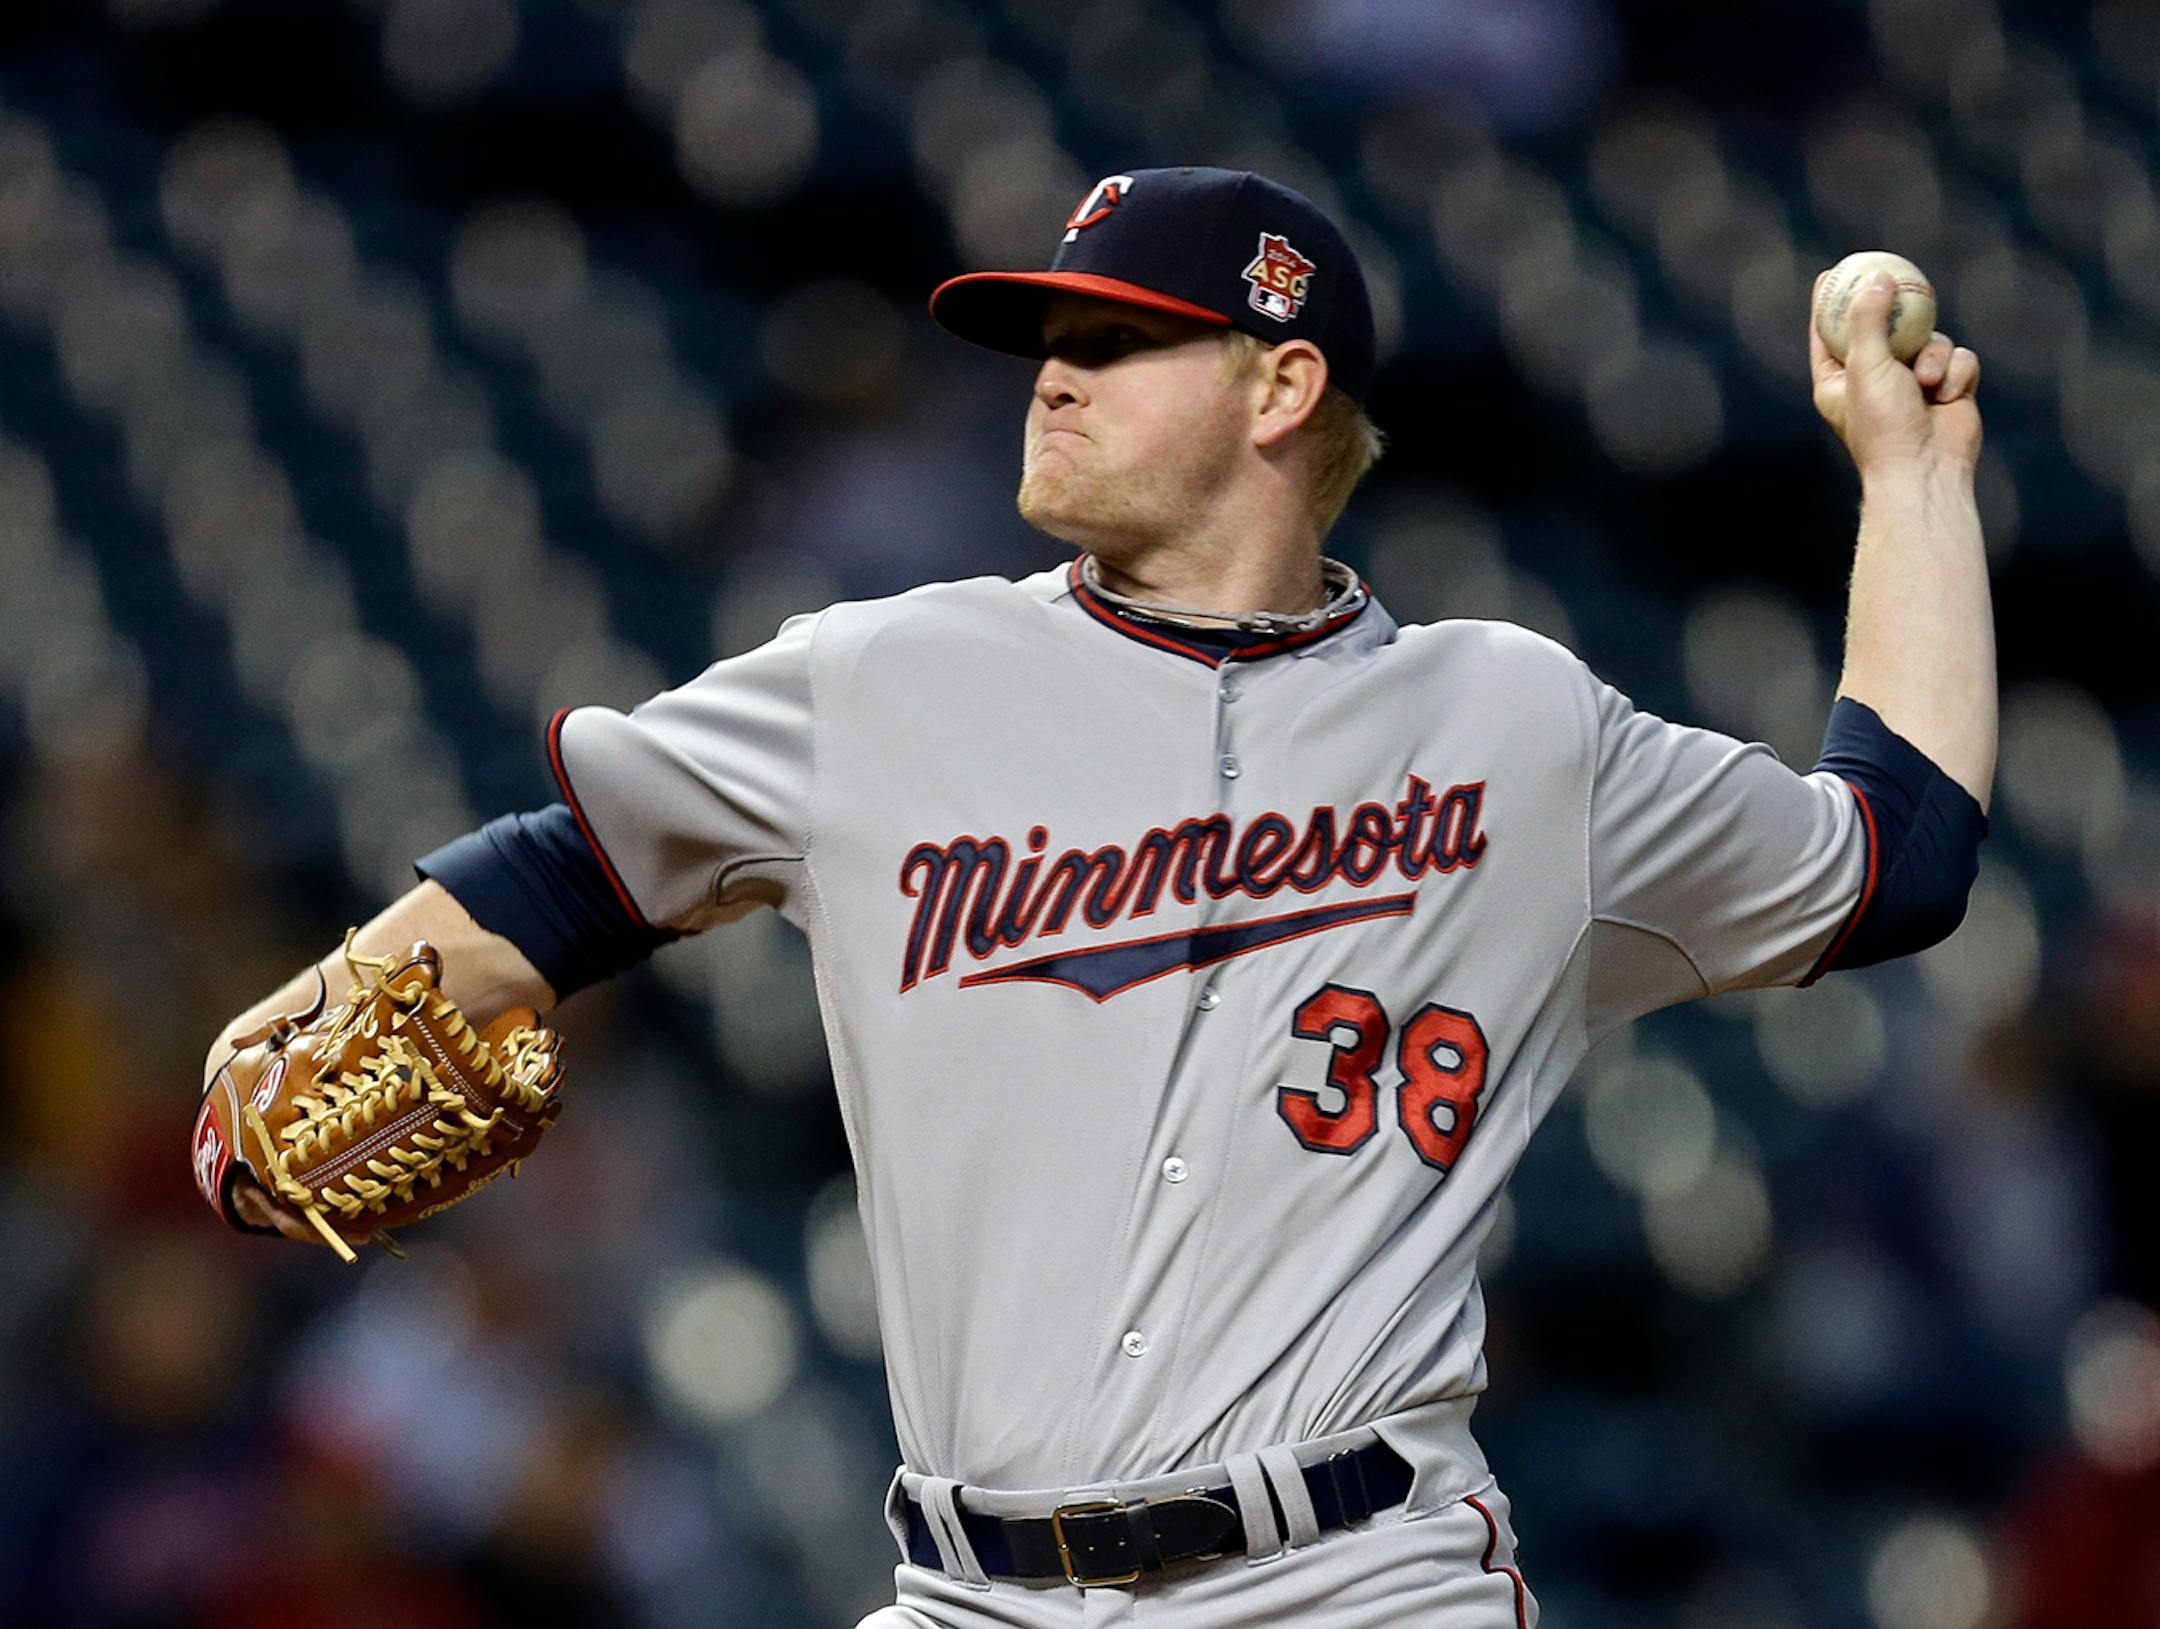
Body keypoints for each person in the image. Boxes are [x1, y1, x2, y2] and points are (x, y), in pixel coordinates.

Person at [200, 168, 1993, 1626]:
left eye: (1119, 341)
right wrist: (303, 1023)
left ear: (1282, 385)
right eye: (1048, 338)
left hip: (1356, 1576)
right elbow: (565, 868)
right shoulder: (881, 680)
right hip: (966, 1590)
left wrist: (1910, 484)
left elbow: (1893, 856)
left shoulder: (1517, 727)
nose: (1050, 372)